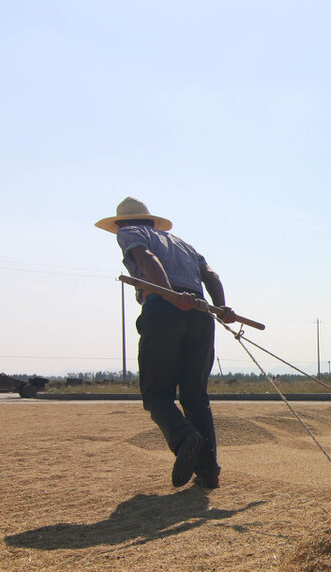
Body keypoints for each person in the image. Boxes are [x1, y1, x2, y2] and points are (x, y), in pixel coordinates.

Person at [96, 197, 239, 490]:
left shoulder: (130, 233)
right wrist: (221, 307)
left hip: (164, 308)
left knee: (157, 395)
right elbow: (210, 275)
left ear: (122, 223)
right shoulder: (183, 245)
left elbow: (147, 258)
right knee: (196, 397)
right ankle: (208, 472)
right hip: (200, 315)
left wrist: (170, 295)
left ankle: (185, 437)